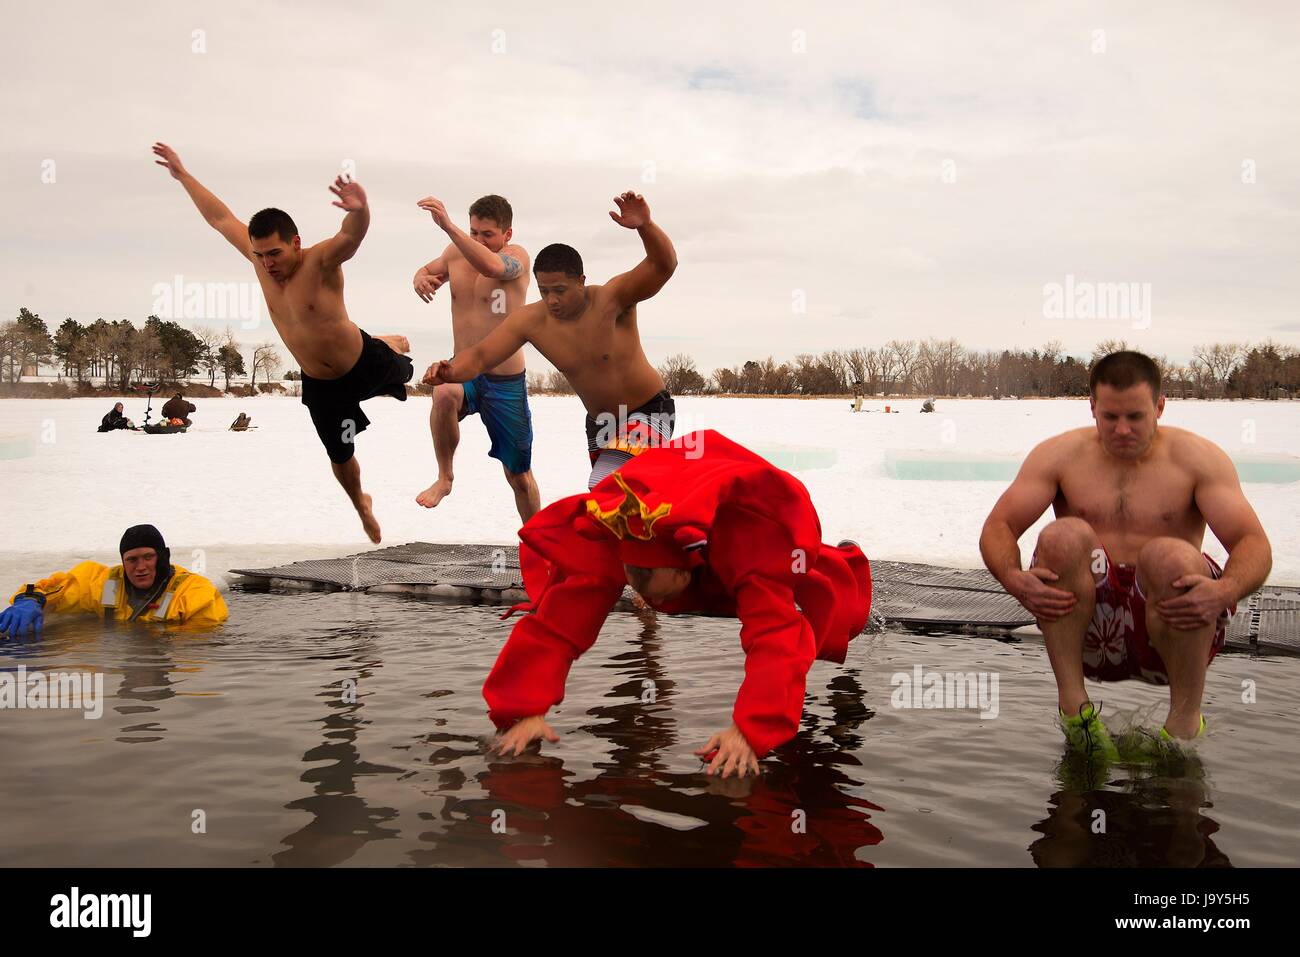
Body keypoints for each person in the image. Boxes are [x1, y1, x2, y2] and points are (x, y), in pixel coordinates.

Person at [483, 430, 873, 778]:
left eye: (660, 594)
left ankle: (846, 556)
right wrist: (526, 710)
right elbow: (556, 627)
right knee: (585, 589)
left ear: (687, 571)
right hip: (657, 494)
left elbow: (777, 636)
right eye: (639, 589)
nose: (651, 603)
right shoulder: (614, 542)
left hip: (731, 510)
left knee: (834, 605)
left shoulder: (749, 544)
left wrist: (751, 731)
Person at [979, 350, 1272, 747]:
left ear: (1160, 406)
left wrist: (1225, 591)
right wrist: (1014, 580)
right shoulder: (1060, 455)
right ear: (1093, 408)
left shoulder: (1197, 460)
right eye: (1110, 417)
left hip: (1170, 625)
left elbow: (1252, 542)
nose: (1121, 430)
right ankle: (1076, 715)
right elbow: (1000, 525)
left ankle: (1182, 728)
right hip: (1087, 631)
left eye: (1135, 417)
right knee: (1061, 537)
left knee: (1169, 556)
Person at [153, 142, 413, 543]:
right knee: (340, 456)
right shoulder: (260, 263)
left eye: (274, 253)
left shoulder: (321, 261)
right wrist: (183, 175)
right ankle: (362, 503)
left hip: (363, 361)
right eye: (260, 255)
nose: (267, 263)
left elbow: (351, 237)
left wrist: (360, 210)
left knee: (409, 372)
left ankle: (387, 341)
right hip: (323, 386)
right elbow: (221, 218)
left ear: (295, 243)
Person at [423, 191, 677, 490]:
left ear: (581, 281)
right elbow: (480, 356)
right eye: (544, 291)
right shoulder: (532, 321)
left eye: (560, 290)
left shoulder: (612, 298)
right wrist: (450, 372)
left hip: (648, 411)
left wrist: (645, 226)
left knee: (609, 487)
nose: (552, 300)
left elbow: (664, 265)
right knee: (613, 508)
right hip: (600, 423)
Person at [411, 194, 540, 521]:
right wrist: (421, 278)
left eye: (488, 234)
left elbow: (491, 265)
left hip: (505, 381)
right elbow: (428, 269)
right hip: (464, 371)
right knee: (443, 393)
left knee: (520, 478)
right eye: (474, 233)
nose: (479, 240)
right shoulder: (455, 253)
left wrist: (448, 227)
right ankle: (445, 477)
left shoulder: (517, 257)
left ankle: (539, 544)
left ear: (507, 234)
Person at [0, 524, 229, 637]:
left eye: (148, 557)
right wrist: (29, 600)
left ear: (163, 557)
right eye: (132, 560)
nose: (140, 567)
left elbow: (200, 648)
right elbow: (56, 588)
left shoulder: (195, 593)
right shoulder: (104, 582)